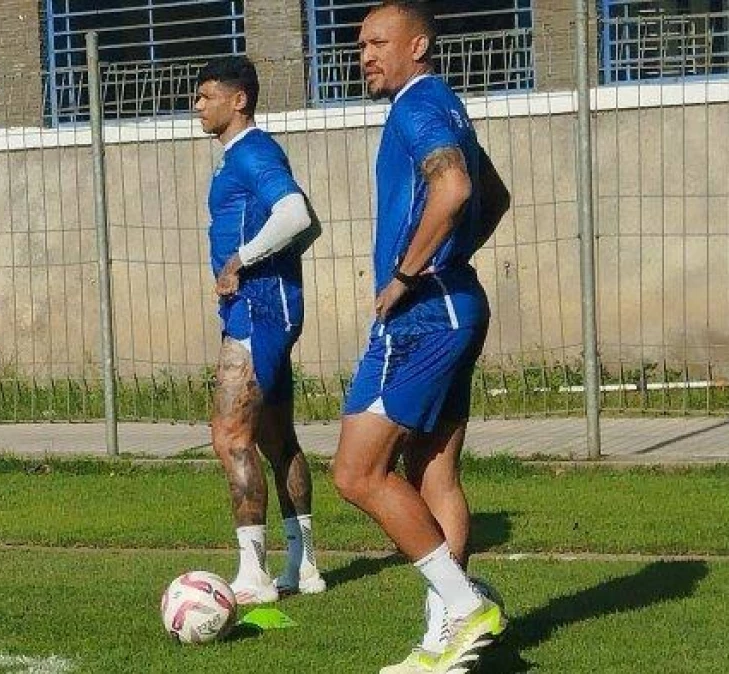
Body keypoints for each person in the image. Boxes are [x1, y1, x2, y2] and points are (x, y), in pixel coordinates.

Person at [330, 2, 512, 672]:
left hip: (425, 317)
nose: (365, 55)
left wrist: (410, 272)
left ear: (419, 44)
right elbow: (494, 196)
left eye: (378, 42)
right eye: (360, 45)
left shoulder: (414, 107)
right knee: (432, 470)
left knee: (355, 472)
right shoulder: (443, 102)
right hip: (457, 305)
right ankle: (447, 635)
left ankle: (463, 606)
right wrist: (453, 260)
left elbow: (457, 187)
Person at [195, 56, 326, 605]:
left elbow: (297, 216)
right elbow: (306, 224)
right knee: (276, 441)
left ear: (238, 100)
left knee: (230, 436)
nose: (197, 106)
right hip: (264, 308)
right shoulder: (236, 159)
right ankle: (306, 565)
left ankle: (254, 574)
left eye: (205, 96)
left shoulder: (254, 151)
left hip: (257, 311)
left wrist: (240, 262)